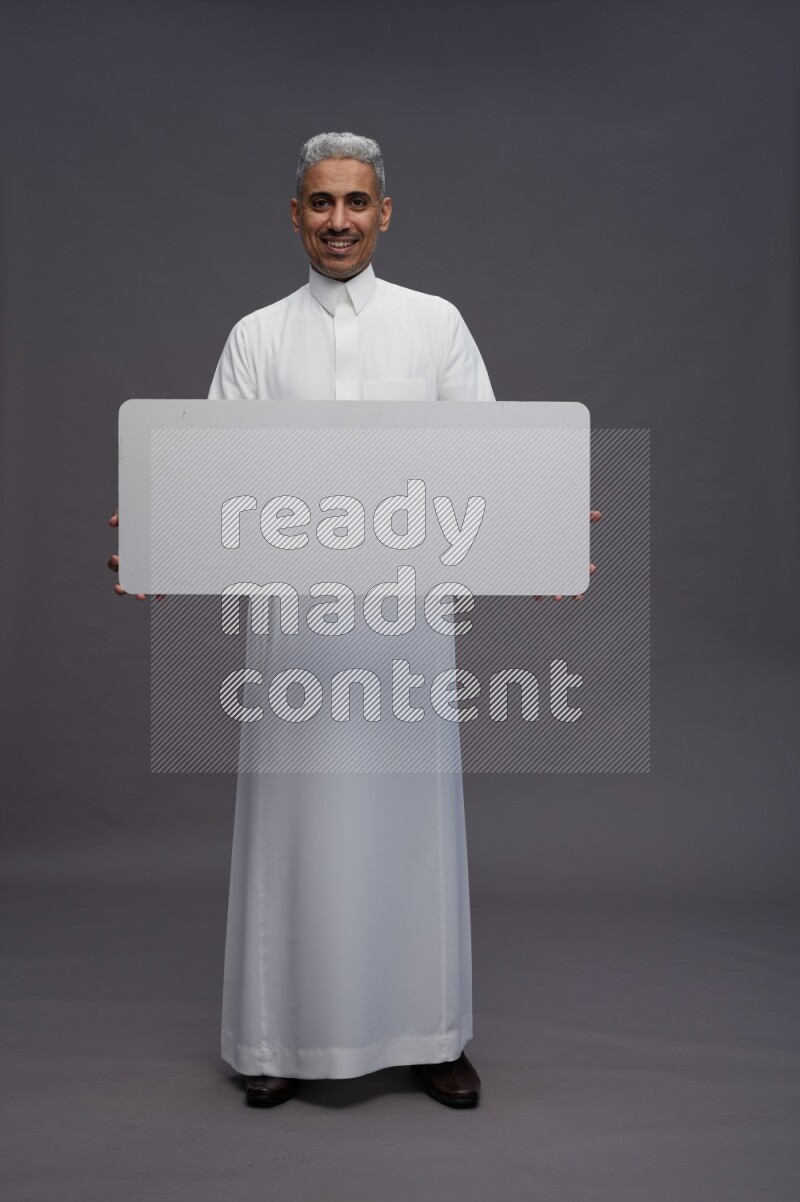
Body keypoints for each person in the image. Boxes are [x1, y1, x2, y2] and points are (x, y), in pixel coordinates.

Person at [108, 131, 597, 1109]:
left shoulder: (434, 324)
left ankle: (431, 1033)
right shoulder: (256, 336)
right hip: (295, 631)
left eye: (356, 202)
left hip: (405, 627)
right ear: (295, 214)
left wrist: (537, 540)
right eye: (322, 202)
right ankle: (275, 1038)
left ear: (384, 214)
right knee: (294, 827)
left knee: (411, 826)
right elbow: (213, 475)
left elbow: (489, 461)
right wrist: (164, 543)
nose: (339, 220)